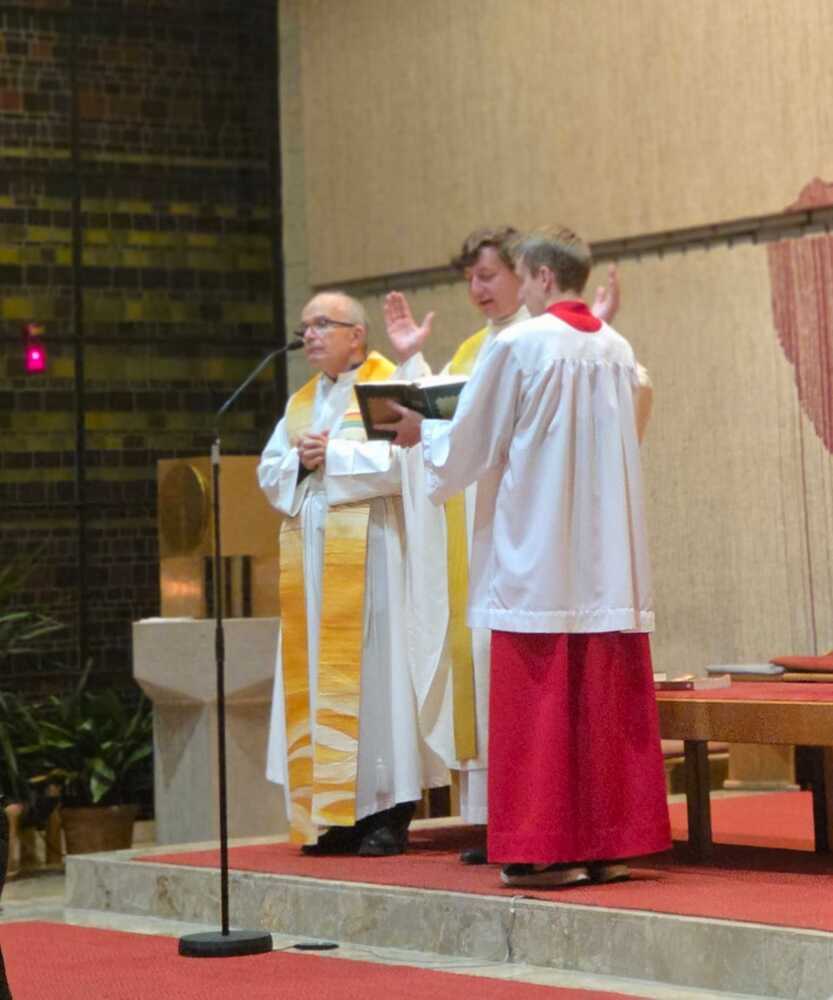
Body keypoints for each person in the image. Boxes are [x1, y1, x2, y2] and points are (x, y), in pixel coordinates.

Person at [386, 227, 671, 887]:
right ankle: (604, 845)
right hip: (604, 555)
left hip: (537, 552)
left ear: (541, 276)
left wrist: (422, 431)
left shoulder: (520, 345)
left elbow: (474, 440)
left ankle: (540, 850)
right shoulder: (617, 348)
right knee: (599, 705)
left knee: (538, 707)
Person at [257, 291, 446, 856]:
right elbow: (269, 472)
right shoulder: (302, 402)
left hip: (375, 554)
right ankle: (337, 815)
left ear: (356, 334)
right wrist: (300, 461)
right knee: (322, 680)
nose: (310, 336)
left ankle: (388, 812)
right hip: (314, 563)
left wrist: (333, 456)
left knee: (378, 679)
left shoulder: (387, 385)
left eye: (322, 324)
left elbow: (407, 460)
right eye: (306, 327)